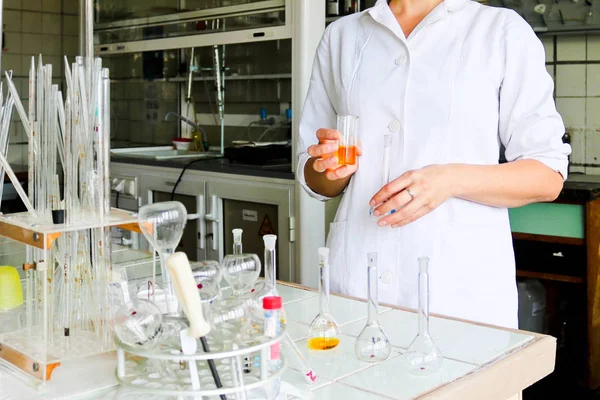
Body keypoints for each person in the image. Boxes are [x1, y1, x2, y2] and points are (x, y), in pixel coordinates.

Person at [296, 0, 570, 328]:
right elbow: (314, 175)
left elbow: (547, 175)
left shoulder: (499, 31)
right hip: (357, 280)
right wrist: (328, 166)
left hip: (459, 292)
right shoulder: (341, 36)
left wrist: (449, 180)